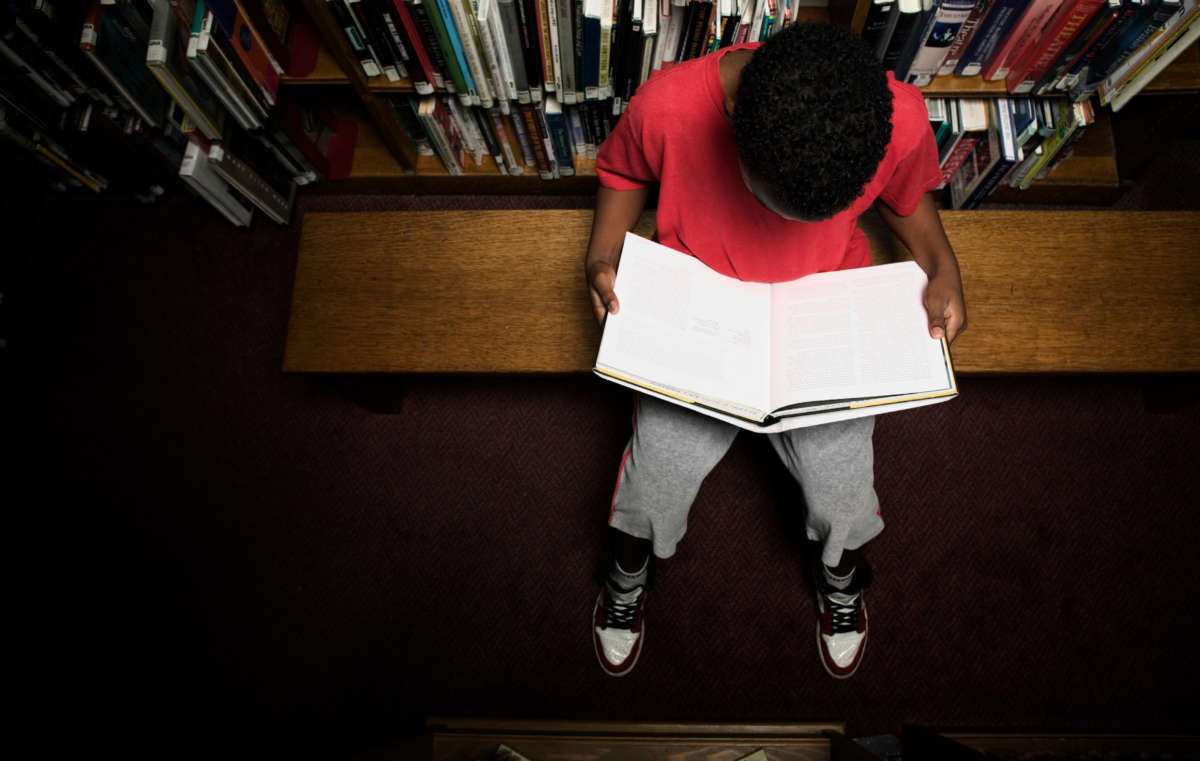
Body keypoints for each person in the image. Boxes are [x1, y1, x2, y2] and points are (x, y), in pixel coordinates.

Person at [584, 22, 967, 679]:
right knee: (652, 484)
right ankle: (627, 570)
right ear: (734, 124)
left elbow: (907, 196)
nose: (790, 223)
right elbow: (622, 169)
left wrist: (942, 263)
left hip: (820, 316)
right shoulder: (671, 103)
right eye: (778, 203)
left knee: (843, 495)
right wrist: (601, 251)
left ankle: (841, 574)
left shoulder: (894, 113)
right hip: (698, 308)